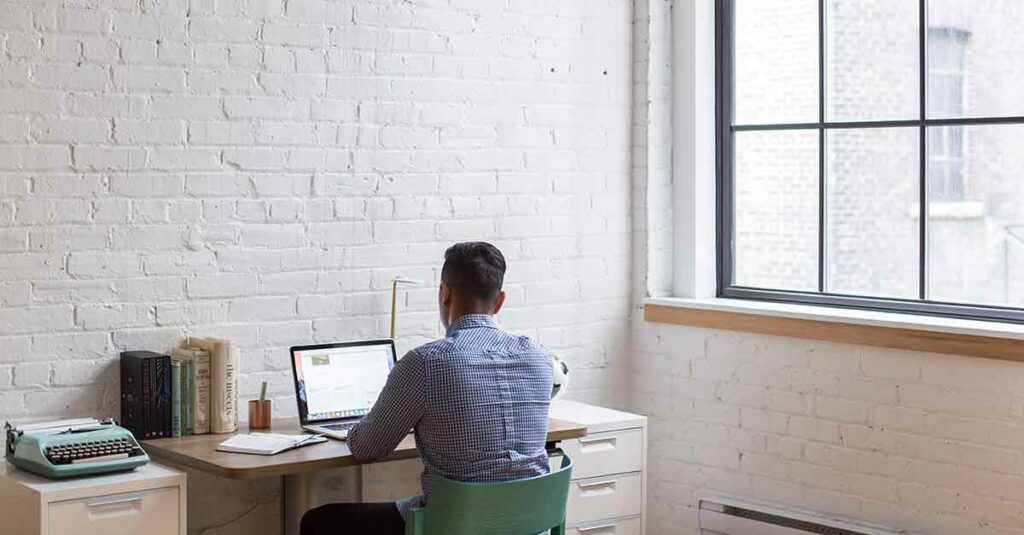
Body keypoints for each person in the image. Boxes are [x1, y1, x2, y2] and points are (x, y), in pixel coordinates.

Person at [300, 242, 554, 535]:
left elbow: (366, 447)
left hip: (454, 525)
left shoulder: (426, 362)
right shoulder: (539, 357)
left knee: (318, 522)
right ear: (500, 302)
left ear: (444, 293)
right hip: (530, 524)